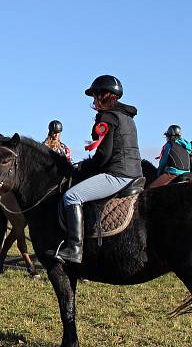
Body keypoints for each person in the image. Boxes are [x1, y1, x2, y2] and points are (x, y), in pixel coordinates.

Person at [50, 75, 142, 264]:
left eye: (95, 96)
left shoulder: (107, 117)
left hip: (118, 174)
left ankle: (74, 249)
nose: (93, 101)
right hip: (133, 171)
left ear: (104, 95)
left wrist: (84, 166)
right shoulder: (126, 116)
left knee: (71, 196)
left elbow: (104, 156)